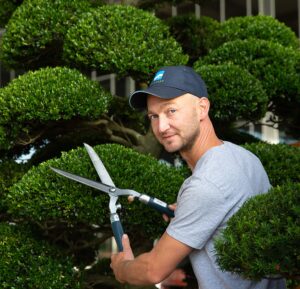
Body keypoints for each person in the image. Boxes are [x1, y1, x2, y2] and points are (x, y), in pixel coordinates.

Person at [110, 65, 286, 289]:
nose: (161, 126)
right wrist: (189, 213)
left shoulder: (206, 184)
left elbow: (152, 271)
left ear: (202, 108)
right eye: (154, 116)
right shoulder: (244, 158)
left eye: (171, 111)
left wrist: (123, 268)